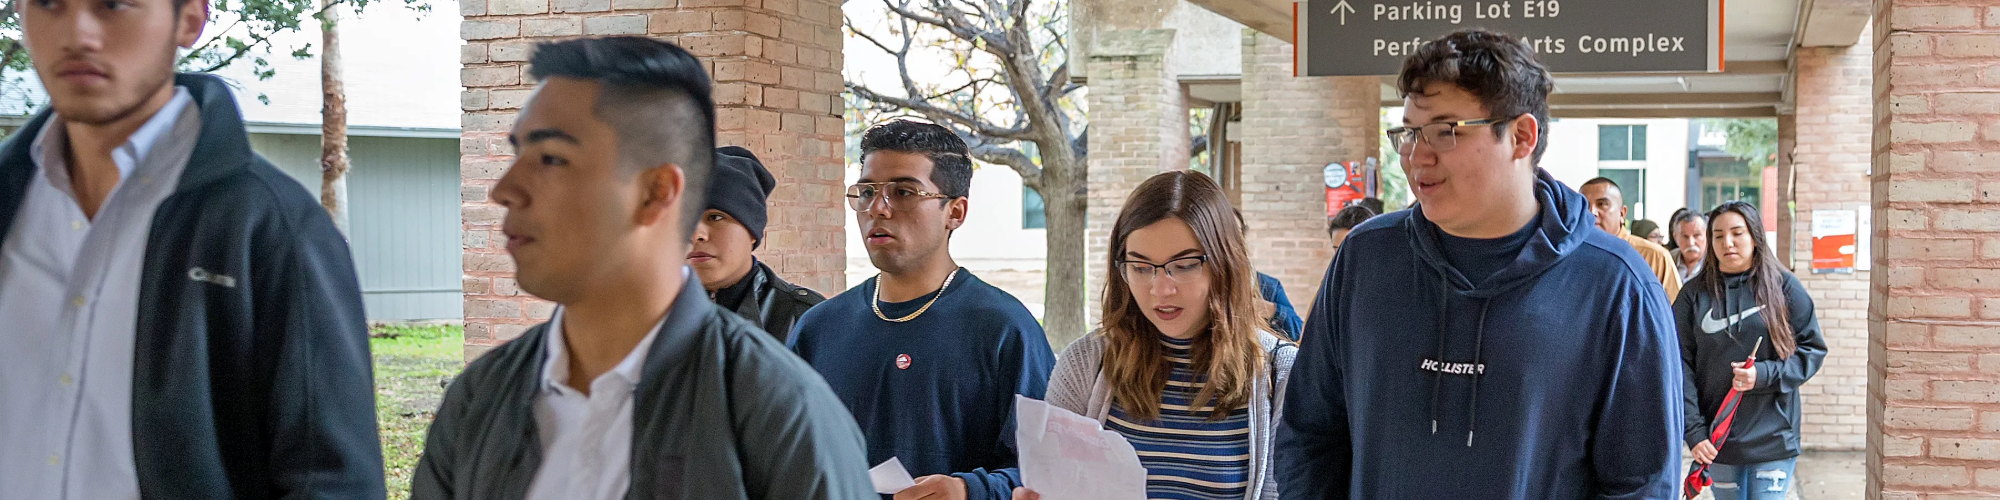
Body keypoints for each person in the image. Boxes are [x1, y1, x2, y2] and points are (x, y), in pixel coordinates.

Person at [411, 37, 874, 500]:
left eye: (551, 158)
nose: (505, 189)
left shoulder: (779, 410)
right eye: (517, 155)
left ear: (655, 193)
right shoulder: (483, 397)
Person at [1275, 29, 1683, 498]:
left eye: (1446, 131)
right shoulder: (1367, 259)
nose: (1416, 156)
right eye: (1408, 133)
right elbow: (1309, 435)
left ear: (1521, 136)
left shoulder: (1613, 283)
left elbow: (1642, 483)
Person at [0, 0, 385, 497]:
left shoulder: (271, 225)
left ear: (189, 20)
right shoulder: (10, 205)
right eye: (49, 3)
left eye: (113, 5)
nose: (78, 33)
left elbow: (334, 479)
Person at [789, 119, 1056, 500]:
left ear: (956, 213)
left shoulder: (1004, 329)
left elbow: (1047, 473)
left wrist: (969, 490)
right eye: (867, 191)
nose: (878, 208)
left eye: (903, 192)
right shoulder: (819, 328)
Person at [1016, 170, 1296, 500]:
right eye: (1140, 267)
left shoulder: (1281, 374)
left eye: (1185, 264)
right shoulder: (1086, 364)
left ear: (1225, 264)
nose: (1160, 289)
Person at [1677, 201, 1826, 500]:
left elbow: (1811, 351)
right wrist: (1694, 432)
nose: (1727, 243)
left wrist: (1763, 374)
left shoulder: (1783, 287)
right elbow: (1678, 366)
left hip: (1773, 436)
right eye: (1717, 235)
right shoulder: (1693, 295)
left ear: (1755, 236)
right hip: (1718, 438)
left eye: (1737, 233)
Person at [689, 145, 826, 342]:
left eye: (715, 217)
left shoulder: (805, 318)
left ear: (752, 231)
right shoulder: (644, 316)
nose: (696, 235)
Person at [1581, 177, 1682, 302]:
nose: (1592, 212)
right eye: (1584, 205)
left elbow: (1676, 312)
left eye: (1602, 204)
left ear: (1622, 214)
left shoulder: (1655, 256)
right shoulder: (1571, 254)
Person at [1670, 208, 1708, 283]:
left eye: (1696, 235)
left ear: (1707, 235)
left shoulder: (1717, 262)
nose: (1691, 243)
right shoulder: (1667, 260)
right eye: (1685, 236)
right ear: (1675, 237)